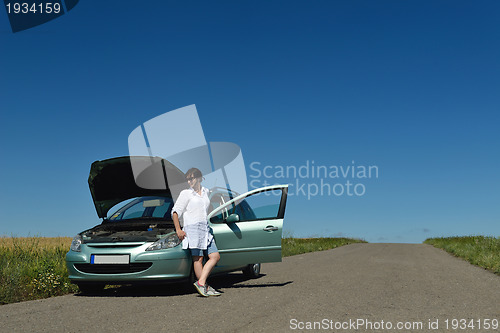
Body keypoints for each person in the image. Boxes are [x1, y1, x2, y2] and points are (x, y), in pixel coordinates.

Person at [171, 167, 221, 297]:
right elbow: (175, 212)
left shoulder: (206, 192)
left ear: (199, 178)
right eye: (187, 179)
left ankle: (201, 283)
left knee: (215, 256)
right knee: (198, 259)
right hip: (192, 229)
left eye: (191, 178)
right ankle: (204, 286)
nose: (189, 181)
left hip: (205, 229)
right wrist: (178, 229)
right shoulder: (186, 193)